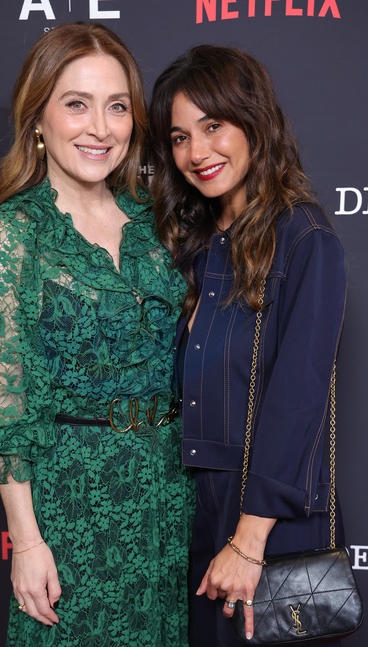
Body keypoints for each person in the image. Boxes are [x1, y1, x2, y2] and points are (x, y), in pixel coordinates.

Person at [0, 22, 194, 647]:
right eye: (77, 104)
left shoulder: (154, 224)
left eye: (117, 107)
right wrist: (26, 541)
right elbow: (2, 408)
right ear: (38, 118)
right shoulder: (11, 237)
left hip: (170, 495)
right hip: (73, 502)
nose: (101, 128)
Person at [148, 45, 346, 647]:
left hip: (267, 519)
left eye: (213, 126)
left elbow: (298, 398)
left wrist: (248, 539)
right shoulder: (196, 243)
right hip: (200, 508)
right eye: (180, 137)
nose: (197, 152)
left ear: (254, 121)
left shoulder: (304, 236)